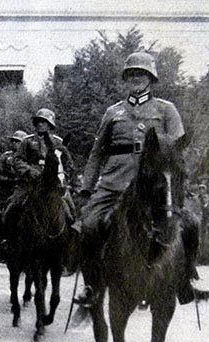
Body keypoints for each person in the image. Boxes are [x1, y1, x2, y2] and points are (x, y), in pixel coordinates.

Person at [73, 51, 197, 307]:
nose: (136, 78)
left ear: (151, 78)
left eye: (141, 74)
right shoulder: (113, 112)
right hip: (114, 181)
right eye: (131, 74)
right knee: (89, 225)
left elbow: (178, 151)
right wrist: (87, 187)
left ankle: (184, 280)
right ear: (125, 78)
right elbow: (97, 153)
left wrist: (180, 183)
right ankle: (91, 285)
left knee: (191, 223)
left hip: (154, 185)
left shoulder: (166, 110)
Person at [0, 130, 26, 207]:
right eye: (13, 141)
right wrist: (9, 180)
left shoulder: (29, 158)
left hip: (23, 190)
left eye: (18, 141)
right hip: (5, 191)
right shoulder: (5, 156)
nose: (14, 143)